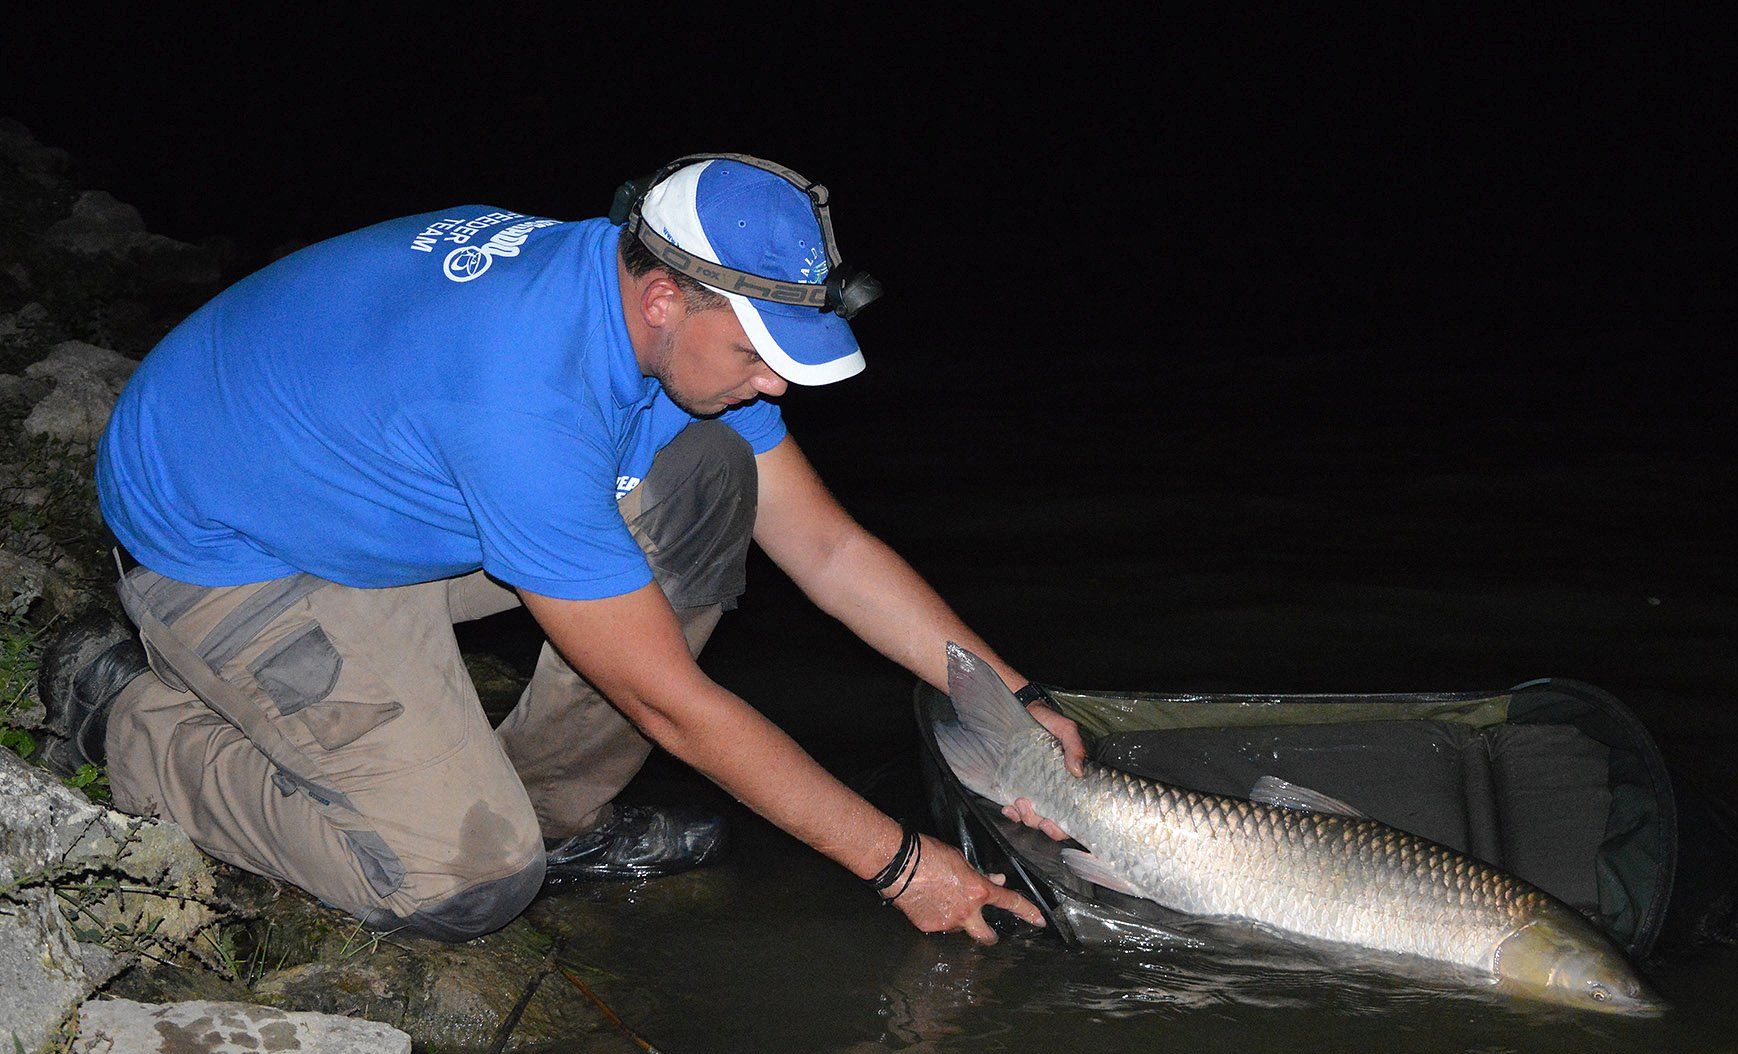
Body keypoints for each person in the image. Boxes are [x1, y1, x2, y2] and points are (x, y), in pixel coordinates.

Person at [41, 154, 1083, 944]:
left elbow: (828, 549)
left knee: (712, 471)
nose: (775, 388)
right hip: (234, 548)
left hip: (383, 490)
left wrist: (1017, 697)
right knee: (462, 882)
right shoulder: (526, 400)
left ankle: (549, 809)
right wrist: (898, 864)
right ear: (667, 296)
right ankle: (124, 706)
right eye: (761, 357)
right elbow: (668, 701)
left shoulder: (647, 308)